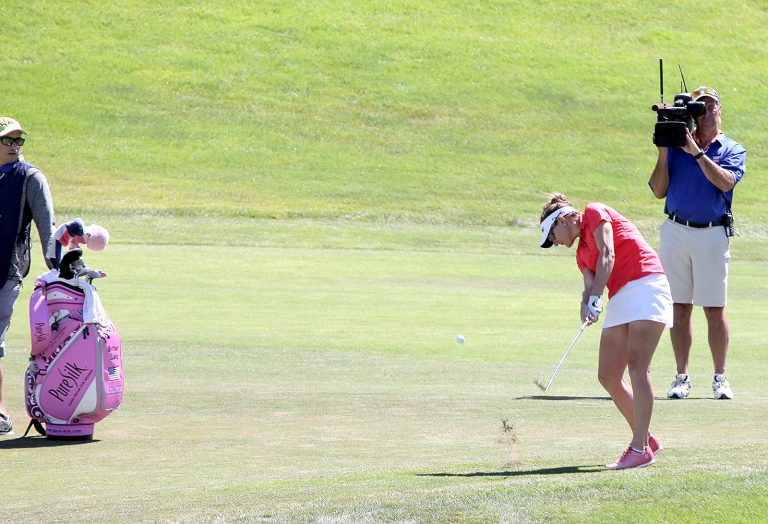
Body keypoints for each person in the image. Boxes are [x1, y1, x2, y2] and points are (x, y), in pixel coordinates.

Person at [539, 193, 673, 470]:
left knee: (638, 367)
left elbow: (608, 255)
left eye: (554, 237)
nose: (558, 244)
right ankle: (645, 437)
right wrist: (587, 306)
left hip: (647, 283)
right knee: (608, 375)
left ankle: (639, 450)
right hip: (622, 295)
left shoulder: (594, 212)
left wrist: (597, 297)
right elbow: (589, 285)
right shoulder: (580, 254)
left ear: (562, 220)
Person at [648, 86, 746, 400]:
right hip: (676, 229)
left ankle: (720, 377)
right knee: (679, 309)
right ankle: (681, 377)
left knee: (714, 309)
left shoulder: (730, 147)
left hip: (712, 233)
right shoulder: (677, 148)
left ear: (719, 110)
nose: (704, 113)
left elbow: (725, 182)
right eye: (698, 108)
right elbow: (658, 190)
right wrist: (665, 149)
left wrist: (698, 153)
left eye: (710, 106)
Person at [0, 117, 56, 436]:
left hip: (6, 268)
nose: (15, 147)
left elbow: (48, 230)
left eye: (19, 141)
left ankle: (0, 412)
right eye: (8, 140)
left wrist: (58, 271)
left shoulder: (30, 178)